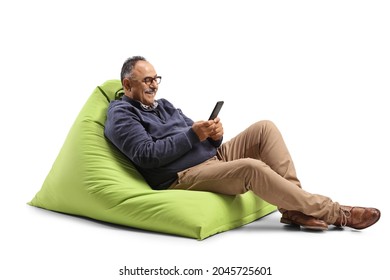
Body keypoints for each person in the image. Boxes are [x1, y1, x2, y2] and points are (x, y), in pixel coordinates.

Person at [104, 55, 380, 231]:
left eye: (156, 79)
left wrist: (214, 135)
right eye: (147, 80)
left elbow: (194, 133)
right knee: (251, 167)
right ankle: (337, 213)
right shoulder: (122, 114)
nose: (154, 85)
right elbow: (146, 155)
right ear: (127, 85)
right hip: (183, 175)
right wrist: (193, 135)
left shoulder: (163, 104)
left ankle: (294, 209)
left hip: (212, 157)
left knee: (264, 128)